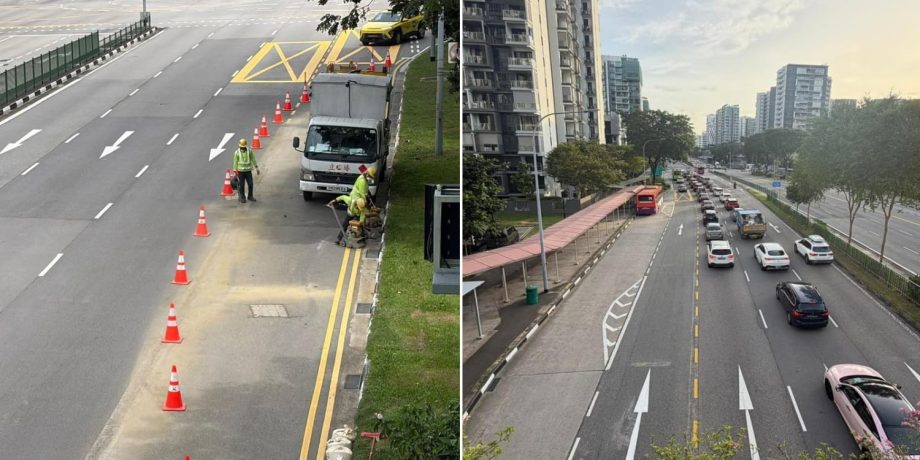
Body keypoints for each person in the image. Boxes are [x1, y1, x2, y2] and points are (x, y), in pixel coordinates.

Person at [233, 139, 260, 203]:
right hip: (240, 171)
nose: (242, 148)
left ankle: (250, 196)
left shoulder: (249, 151)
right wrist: (235, 171)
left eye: (243, 147)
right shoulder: (237, 152)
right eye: (241, 147)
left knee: (250, 184)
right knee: (241, 185)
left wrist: (257, 167)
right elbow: (235, 162)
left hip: (248, 171)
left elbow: (253, 159)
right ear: (239, 146)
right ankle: (242, 197)